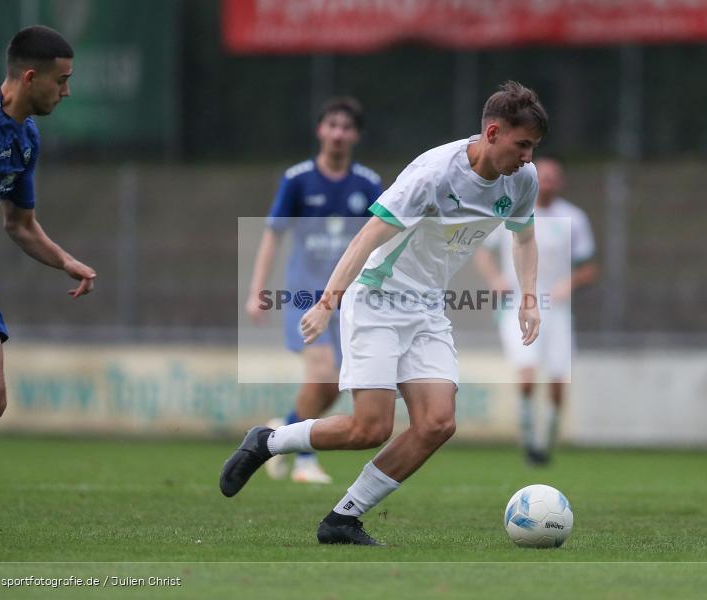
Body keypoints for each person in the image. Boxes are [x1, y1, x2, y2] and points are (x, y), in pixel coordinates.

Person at [221, 81, 547, 546]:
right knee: (368, 429)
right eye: (523, 145)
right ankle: (268, 442)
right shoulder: (434, 174)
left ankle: (343, 518)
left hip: (429, 307)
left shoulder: (522, 180)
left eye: (533, 147)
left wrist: (529, 298)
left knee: (437, 423)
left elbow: (524, 236)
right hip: (377, 299)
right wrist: (328, 301)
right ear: (493, 132)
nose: (529, 157)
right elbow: (368, 236)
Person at [0, 26, 96, 462]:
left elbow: (19, 224)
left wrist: (65, 260)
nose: (67, 91)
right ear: (31, 77)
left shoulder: (25, 137)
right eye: (62, 80)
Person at [244, 97, 381, 484]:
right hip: (304, 294)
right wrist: (257, 290)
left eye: (346, 127)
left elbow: (382, 238)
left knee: (337, 381)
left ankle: (279, 431)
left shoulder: (368, 184)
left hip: (349, 298)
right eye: (331, 125)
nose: (338, 133)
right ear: (320, 130)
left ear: (356, 135)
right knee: (322, 371)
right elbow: (273, 236)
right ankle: (304, 461)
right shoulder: (298, 179)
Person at [474, 158, 596, 466]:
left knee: (557, 384)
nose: (549, 182)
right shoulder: (511, 210)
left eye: (555, 177)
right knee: (527, 376)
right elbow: (484, 254)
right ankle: (529, 443)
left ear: (562, 182)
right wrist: (495, 280)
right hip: (518, 305)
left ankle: (546, 444)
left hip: (556, 310)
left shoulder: (574, 218)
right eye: (545, 177)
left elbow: (589, 268)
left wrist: (570, 283)